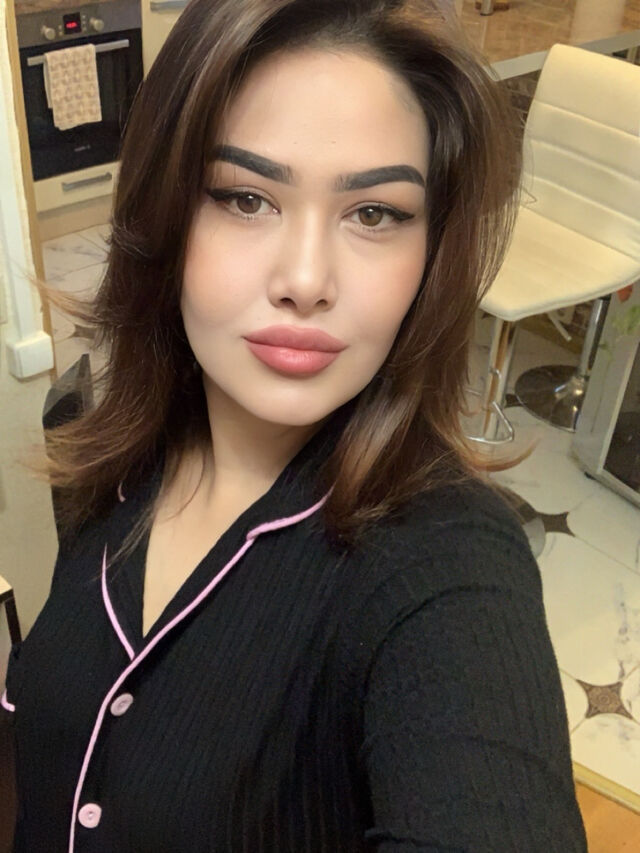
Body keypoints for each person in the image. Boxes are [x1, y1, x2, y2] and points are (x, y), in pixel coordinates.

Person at [2, 0, 588, 850]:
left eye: (374, 213)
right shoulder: (103, 446)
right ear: (164, 214)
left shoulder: (448, 570)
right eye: (246, 198)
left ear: (432, 253)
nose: (306, 279)